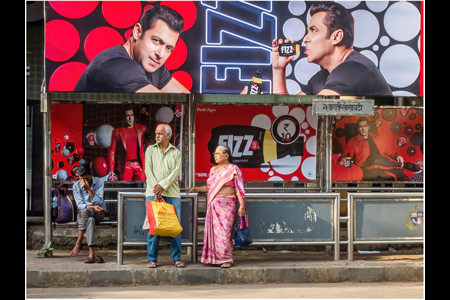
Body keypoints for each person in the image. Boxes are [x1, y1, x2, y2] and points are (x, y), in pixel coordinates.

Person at [271, 1, 392, 96]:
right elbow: (289, 114)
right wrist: (278, 70)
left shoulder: (354, 69)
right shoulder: (322, 77)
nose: (305, 39)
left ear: (337, 36)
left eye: (314, 30)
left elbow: (313, 116)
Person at [74, 5, 190, 94]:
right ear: (137, 32)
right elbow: (164, 106)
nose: (161, 54)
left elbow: (187, 98)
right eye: (156, 41)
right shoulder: (114, 64)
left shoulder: (153, 64)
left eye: (169, 48)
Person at [186, 145, 248, 268]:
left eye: (218, 153)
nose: (215, 156)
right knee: (213, 233)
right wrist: (196, 188)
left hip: (227, 205)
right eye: (214, 154)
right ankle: (213, 259)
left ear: (226, 155)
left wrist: (242, 205)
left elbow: (239, 189)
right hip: (213, 204)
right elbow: (210, 188)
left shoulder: (233, 169)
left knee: (224, 233)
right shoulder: (213, 170)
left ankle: (226, 259)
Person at [144, 124, 184, 268]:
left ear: (168, 135)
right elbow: (148, 170)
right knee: (154, 227)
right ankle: (152, 258)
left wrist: (162, 186)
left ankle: (177, 258)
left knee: (174, 227)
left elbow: (175, 172)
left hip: (172, 194)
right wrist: (157, 188)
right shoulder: (150, 150)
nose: (157, 136)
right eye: (156, 133)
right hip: (152, 193)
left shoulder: (176, 152)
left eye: (160, 133)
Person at [339, 117, 421, 181]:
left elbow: (387, 150)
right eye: (360, 126)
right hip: (366, 164)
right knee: (376, 160)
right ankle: (405, 165)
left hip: (383, 161)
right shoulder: (353, 141)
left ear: (368, 127)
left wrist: (396, 155)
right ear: (357, 128)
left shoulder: (376, 137)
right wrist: (344, 158)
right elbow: (348, 153)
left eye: (365, 126)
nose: (363, 129)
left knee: (399, 172)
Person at [70, 163, 107, 263]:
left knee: (86, 212)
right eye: (81, 178)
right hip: (85, 215)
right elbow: (80, 204)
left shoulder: (99, 182)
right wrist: (92, 207)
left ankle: (78, 242)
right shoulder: (76, 186)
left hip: (99, 212)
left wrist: (88, 189)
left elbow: (99, 202)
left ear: (91, 175)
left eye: (86, 178)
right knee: (89, 219)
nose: (83, 181)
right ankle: (91, 254)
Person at [107, 105, 150, 181]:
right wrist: (111, 168)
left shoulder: (142, 128)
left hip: (140, 163)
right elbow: (112, 151)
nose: (130, 118)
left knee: (141, 188)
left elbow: (149, 147)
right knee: (125, 189)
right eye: (127, 116)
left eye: (132, 115)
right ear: (123, 118)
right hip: (125, 165)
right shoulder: (116, 132)